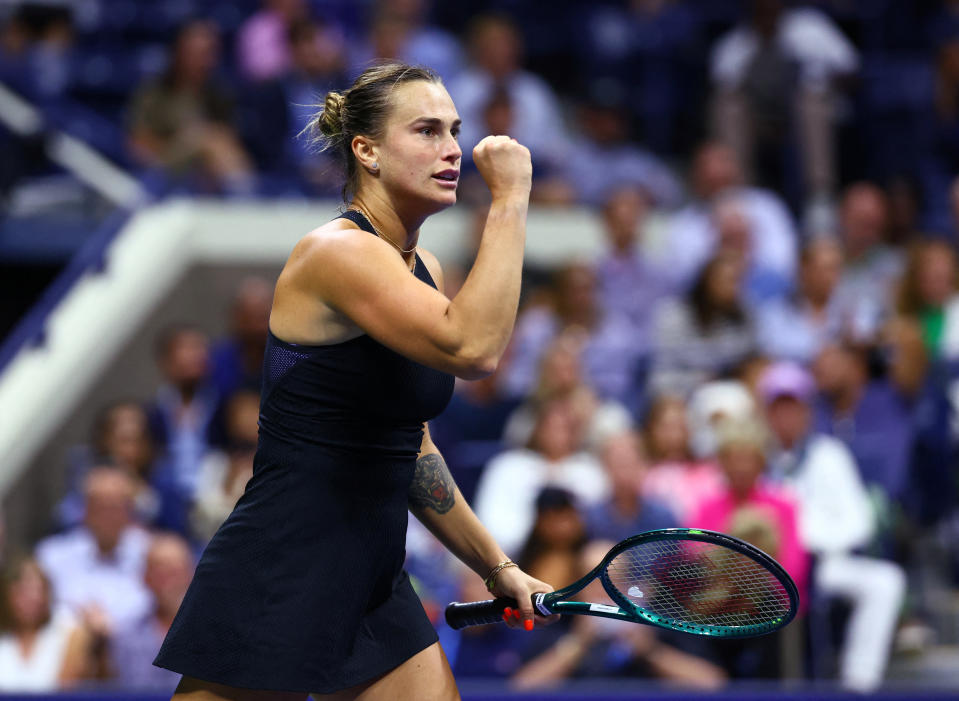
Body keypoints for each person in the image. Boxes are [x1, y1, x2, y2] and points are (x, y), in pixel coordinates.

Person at [154, 62, 557, 700]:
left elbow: (409, 445)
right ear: (365, 150)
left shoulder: (421, 266)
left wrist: (497, 566)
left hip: (372, 575)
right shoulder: (336, 253)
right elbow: (475, 349)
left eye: (454, 130)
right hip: (283, 565)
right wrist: (508, 199)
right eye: (426, 130)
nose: (452, 149)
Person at [760, 361, 905, 692]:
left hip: (826, 564)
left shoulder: (830, 454)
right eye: (778, 408)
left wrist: (805, 539)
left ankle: (859, 683)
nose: (786, 417)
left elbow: (859, 522)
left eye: (793, 407)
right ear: (766, 413)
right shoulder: (754, 458)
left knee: (886, 581)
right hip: (768, 570)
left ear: (808, 411)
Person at [0, 557, 90, 691]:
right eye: (22, 590)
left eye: (39, 590)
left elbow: (65, 692)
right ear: (6, 594)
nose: (33, 598)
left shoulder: (69, 631)